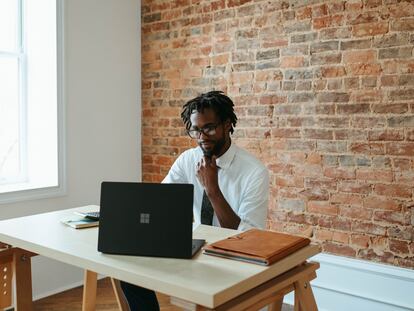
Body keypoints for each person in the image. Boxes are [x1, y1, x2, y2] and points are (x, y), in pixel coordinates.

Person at [120, 90, 269, 310]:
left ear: (228, 124)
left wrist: (212, 189)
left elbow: (247, 237)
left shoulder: (254, 172)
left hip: (233, 257)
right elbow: (160, 202)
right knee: (129, 271)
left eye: (209, 128)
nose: (202, 137)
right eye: (195, 130)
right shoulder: (188, 160)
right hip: (195, 247)